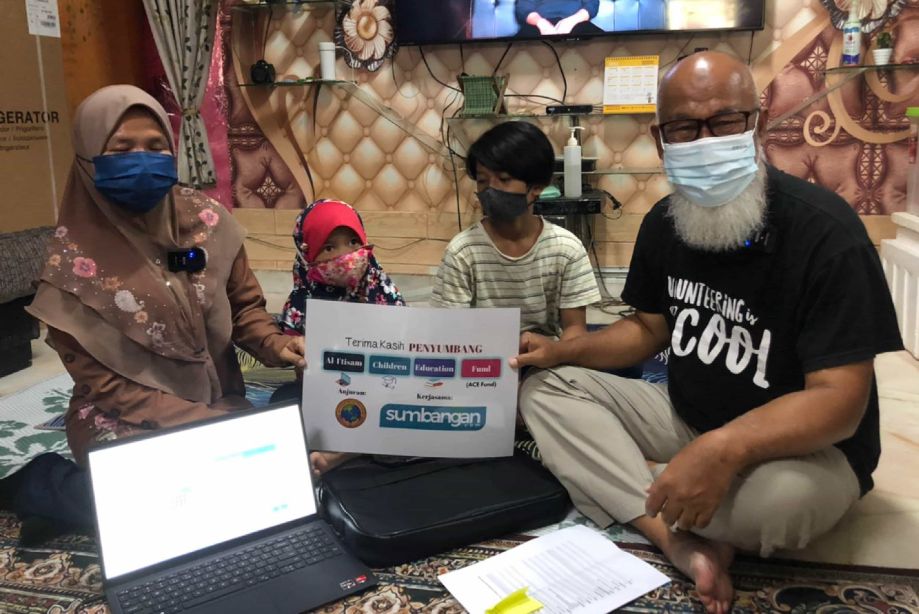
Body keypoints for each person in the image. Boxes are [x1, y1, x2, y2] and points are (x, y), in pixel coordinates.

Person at [512, 51, 902, 614]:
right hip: (686, 415)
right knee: (546, 390)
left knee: (782, 506)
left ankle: (642, 481)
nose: (705, 141)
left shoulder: (826, 233)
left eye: (724, 122)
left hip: (804, 451)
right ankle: (674, 537)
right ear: (660, 138)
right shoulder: (665, 223)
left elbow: (840, 402)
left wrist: (725, 448)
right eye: (684, 128)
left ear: (757, 124)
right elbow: (647, 330)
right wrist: (560, 350)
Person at [25, 85, 305, 466]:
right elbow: (109, 388)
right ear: (88, 157)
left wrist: (275, 343)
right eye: (122, 149)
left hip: (218, 397)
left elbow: (244, 308)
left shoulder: (207, 222)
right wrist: (208, 423)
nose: (142, 160)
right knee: (155, 483)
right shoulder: (71, 267)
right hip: (127, 418)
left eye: (156, 146)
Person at [431, 121, 600, 342]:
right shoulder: (462, 252)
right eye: (482, 181)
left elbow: (575, 331)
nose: (490, 190)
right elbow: (449, 333)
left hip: (547, 357)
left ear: (537, 186)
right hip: (481, 357)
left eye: (504, 179)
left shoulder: (567, 250)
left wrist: (551, 352)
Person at [274, 199, 405, 472]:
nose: (345, 255)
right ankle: (359, 447)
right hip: (328, 393)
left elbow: (404, 342)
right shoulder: (302, 300)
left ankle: (346, 452)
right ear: (306, 252)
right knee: (283, 403)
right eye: (329, 247)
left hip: (382, 388)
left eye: (353, 242)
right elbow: (293, 359)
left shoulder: (381, 289)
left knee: (406, 410)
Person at [515, 0, 602, 36]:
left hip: (577, 22)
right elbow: (523, 7)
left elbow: (592, 4)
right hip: (539, 24)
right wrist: (542, 24)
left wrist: (571, 21)